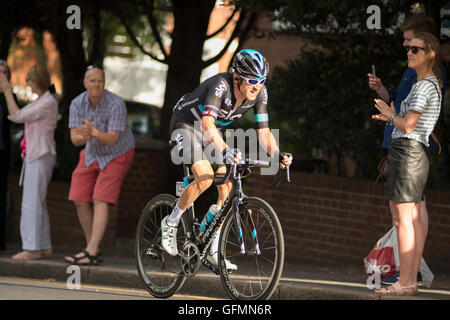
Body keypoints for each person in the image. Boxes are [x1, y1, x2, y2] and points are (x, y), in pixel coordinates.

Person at [162, 49, 293, 270]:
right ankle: (171, 221)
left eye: (261, 80)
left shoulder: (259, 93)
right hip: (186, 125)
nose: (257, 86)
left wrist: (277, 154)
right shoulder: (220, 85)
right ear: (236, 77)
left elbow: (263, 132)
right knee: (205, 177)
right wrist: (225, 151)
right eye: (252, 80)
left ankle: (211, 246)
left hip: (207, 134)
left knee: (227, 189)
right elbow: (206, 124)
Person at [367, 14, 447, 285]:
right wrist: (388, 107)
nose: (408, 51)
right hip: (410, 151)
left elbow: (409, 124)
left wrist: (391, 116)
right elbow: (404, 112)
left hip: (410, 151)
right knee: (406, 217)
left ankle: (408, 279)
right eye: (408, 47)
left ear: (429, 51)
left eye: (414, 47)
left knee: (406, 217)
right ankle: (409, 278)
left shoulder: (426, 84)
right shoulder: (425, 81)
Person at [65, 66, 135, 265]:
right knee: (78, 197)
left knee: (100, 198)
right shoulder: (77, 103)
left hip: (117, 153)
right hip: (93, 152)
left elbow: (112, 139)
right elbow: (74, 139)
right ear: (85, 83)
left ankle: (91, 250)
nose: (97, 84)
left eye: (100, 81)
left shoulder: (116, 104)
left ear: (104, 83)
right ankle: (92, 249)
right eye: (93, 81)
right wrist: (87, 135)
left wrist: (91, 132)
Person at [0, 65, 58, 260]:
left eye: (30, 80)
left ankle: (32, 249)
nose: (28, 84)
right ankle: (43, 246)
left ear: (38, 81)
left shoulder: (47, 102)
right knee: (38, 202)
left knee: (31, 203)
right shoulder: (43, 101)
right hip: (38, 155)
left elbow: (17, 116)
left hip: (39, 155)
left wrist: (8, 90)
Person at [0, 59, 14, 251]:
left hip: (2, 153)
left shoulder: (10, 97)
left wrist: (6, 91)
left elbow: (14, 117)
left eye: (5, 73)